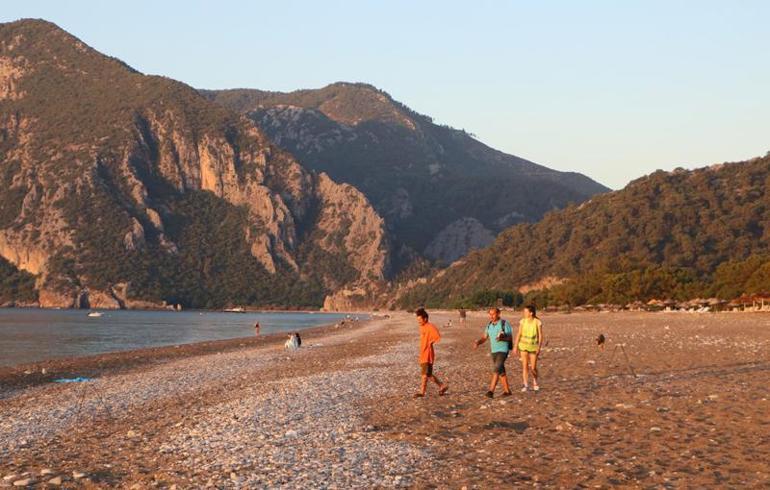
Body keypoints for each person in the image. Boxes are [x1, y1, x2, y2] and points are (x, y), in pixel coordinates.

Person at [473, 307, 513, 398]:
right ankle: (507, 391)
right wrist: (478, 343)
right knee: (501, 371)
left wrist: (502, 338)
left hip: (503, 350)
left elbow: (510, 338)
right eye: (490, 314)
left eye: (493, 314)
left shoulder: (504, 324)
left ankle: (491, 391)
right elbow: (484, 337)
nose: (491, 316)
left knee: (496, 369)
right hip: (494, 351)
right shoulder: (489, 325)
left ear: (498, 314)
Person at [414, 308, 448, 398]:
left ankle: (422, 392)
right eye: (417, 320)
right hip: (423, 353)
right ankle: (442, 386)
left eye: (420, 320)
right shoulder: (422, 327)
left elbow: (438, 337)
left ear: (425, 319)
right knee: (429, 375)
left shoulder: (430, 327)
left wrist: (430, 342)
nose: (418, 322)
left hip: (427, 355)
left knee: (424, 375)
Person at [513, 304, 544, 392]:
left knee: (533, 367)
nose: (524, 313)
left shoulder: (537, 322)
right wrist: (515, 346)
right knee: (525, 366)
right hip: (523, 346)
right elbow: (519, 333)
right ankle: (526, 384)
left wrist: (539, 347)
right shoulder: (522, 321)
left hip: (533, 347)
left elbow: (541, 335)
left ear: (531, 313)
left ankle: (535, 382)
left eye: (525, 312)